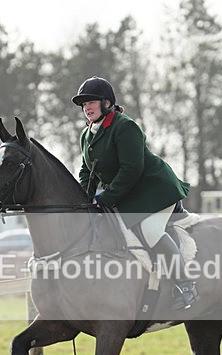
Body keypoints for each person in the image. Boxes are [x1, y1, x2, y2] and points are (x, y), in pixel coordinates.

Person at [73, 76, 199, 310]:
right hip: (129, 196)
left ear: (107, 103)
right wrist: (84, 199)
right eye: (83, 104)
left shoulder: (124, 126)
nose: (86, 107)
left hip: (155, 190)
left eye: (90, 102)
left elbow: (132, 170)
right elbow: (86, 170)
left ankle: (186, 285)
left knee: (151, 231)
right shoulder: (87, 134)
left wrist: (106, 198)